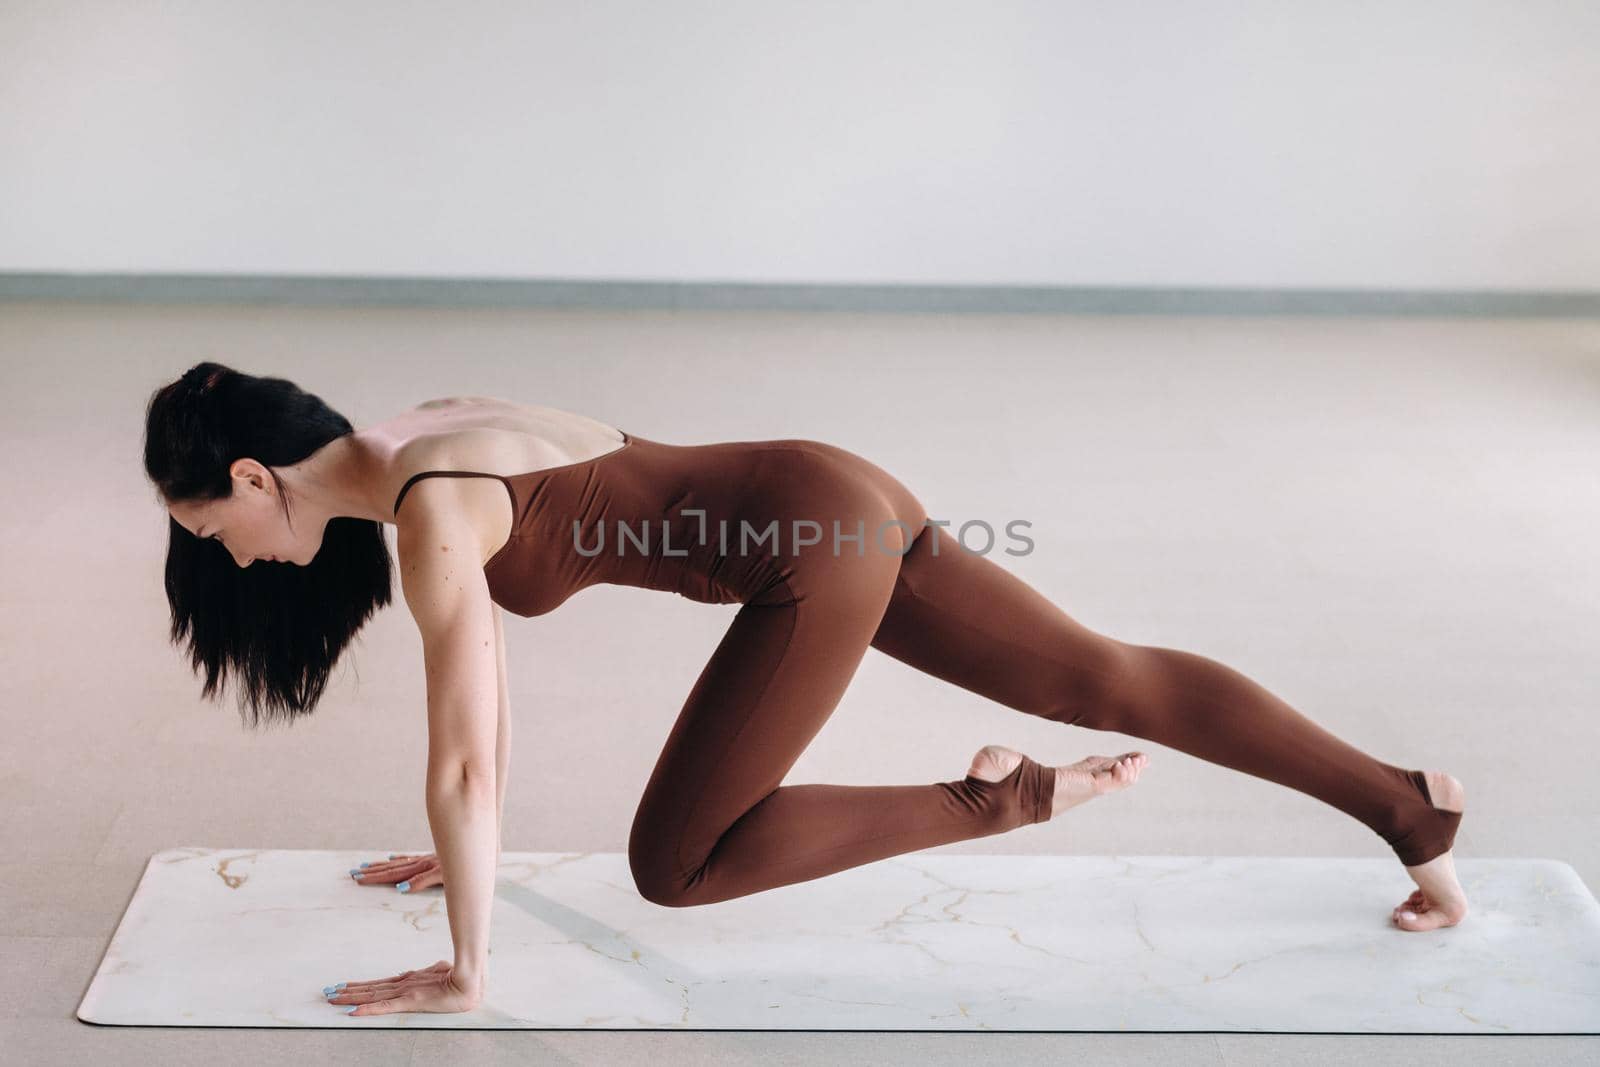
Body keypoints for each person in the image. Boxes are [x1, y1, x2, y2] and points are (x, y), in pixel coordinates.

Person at [145, 362, 1467, 1016]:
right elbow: (484, 744)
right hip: (835, 489)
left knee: (682, 865)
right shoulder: (421, 426)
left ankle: (994, 799)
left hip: (806, 555)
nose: (224, 556)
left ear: (255, 477)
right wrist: (464, 852)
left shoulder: (431, 517)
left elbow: (467, 765)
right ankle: (1414, 815)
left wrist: (471, 964)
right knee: (1105, 675)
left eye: (211, 530)